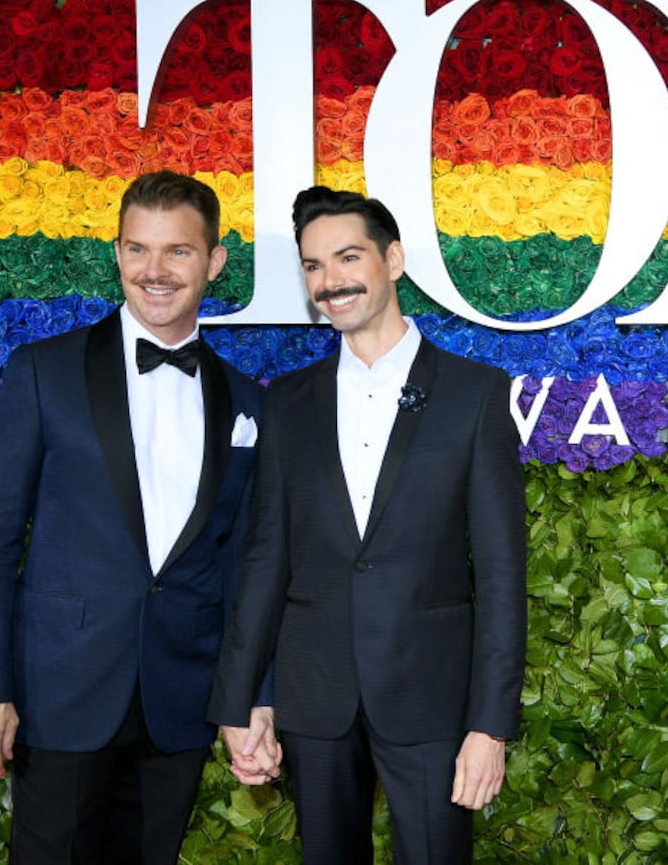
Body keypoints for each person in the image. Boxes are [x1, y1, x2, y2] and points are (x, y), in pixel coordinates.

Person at [0, 170, 265, 863]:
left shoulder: (245, 400)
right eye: (137, 249)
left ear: (213, 261)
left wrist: (248, 698)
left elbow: (245, 567)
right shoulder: (42, 371)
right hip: (60, 693)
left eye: (177, 251)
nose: (154, 270)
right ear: (117, 254)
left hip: (177, 701)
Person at [208, 186, 526, 863]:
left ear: (394, 260)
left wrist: (489, 727)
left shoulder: (474, 395)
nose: (330, 281)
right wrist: (242, 700)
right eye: (313, 266)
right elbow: (266, 559)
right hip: (313, 694)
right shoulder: (288, 403)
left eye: (347, 258)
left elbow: (501, 575)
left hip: (432, 702)